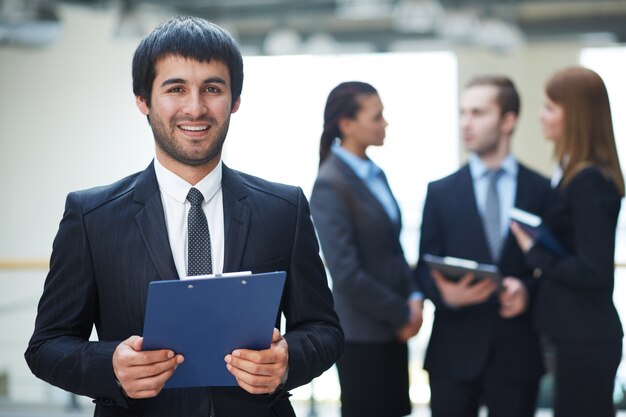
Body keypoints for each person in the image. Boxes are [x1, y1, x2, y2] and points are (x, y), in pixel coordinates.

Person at [24, 16, 343, 417]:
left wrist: (286, 361)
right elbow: (47, 346)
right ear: (143, 100)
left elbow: (324, 331)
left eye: (213, 88)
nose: (196, 108)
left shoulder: (284, 209)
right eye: (176, 89)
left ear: (236, 100)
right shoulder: (92, 217)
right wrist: (111, 367)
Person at [415, 75, 551, 417]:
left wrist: (528, 291)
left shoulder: (542, 190)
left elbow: (553, 267)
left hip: (517, 351)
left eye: (478, 113)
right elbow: (422, 268)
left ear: (508, 120)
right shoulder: (440, 192)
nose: (466, 123)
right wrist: (445, 295)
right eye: (463, 113)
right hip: (453, 352)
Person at [510, 66, 624, 417]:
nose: (541, 117)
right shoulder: (572, 172)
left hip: (587, 338)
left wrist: (534, 251)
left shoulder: (590, 181)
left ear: (573, 115)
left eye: (549, 108)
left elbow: (593, 270)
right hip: (576, 335)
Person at [309, 81, 423, 417]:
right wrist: (403, 313)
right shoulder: (330, 183)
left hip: (393, 331)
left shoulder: (375, 173)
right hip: (363, 336)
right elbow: (345, 274)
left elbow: (393, 249)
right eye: (377, 116)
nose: (384, 123)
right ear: (347, 124)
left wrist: (414, 296)